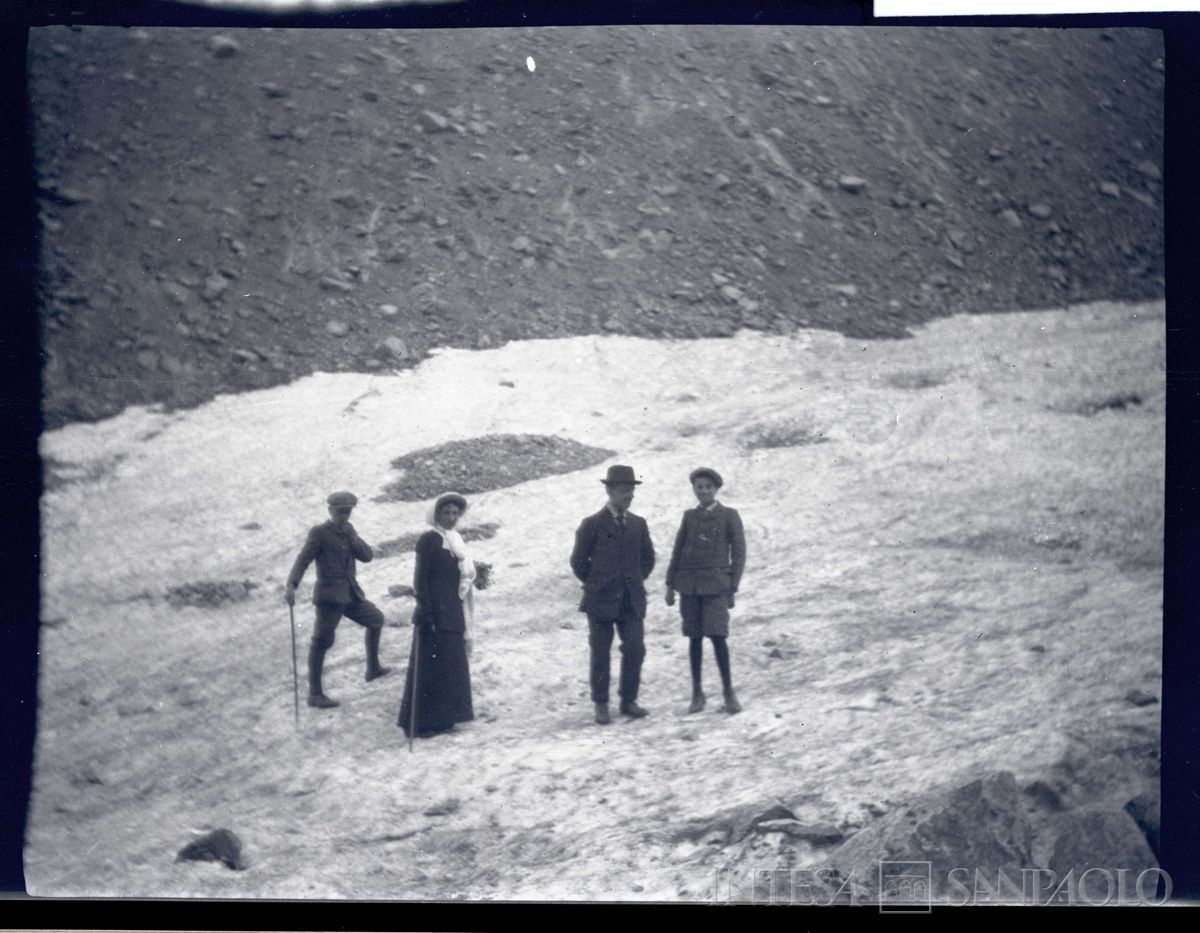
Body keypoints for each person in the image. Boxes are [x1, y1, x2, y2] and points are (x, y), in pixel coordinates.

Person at [286, 491, 390, 709]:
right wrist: (292, 585)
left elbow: (367, 557)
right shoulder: (319, 533)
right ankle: (315, 694)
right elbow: (303, 559)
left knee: (376, 620)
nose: (345, 516)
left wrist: (353, 537)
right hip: (329, 598)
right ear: (330, 510)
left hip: (351, 595)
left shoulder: (349, 531)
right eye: (340, 511)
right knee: (322, 641)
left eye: (348, 511)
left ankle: (373, 669)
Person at [570, 464, 656, 725]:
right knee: (600, 652)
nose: (628, 496)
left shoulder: (638, 524)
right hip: (600, 600)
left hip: (631, 600)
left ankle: (628, 700)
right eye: (623, 491)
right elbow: (578, 562)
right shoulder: (592, 524)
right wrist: (597, 582)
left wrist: (634, 581)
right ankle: (601, 704)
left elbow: (648, 559)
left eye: (631, 491)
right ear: (609, 491)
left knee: (635, 648)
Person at [665, 468, 746, 714]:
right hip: (689, 588)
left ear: (716, 489)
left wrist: (732, 586)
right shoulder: (689, 517)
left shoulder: (729, 516)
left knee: (719, 638)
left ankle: (728, 692)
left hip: (716, 588)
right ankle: (697, 693)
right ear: (694, 489)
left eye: (708, 487)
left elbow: (739, 553)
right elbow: (678, 552)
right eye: (699, 487)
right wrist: (670, 585)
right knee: (694, 640)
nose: (703, 491)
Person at [398, 492, 477, 738]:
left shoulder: (455, 540)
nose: (452, 517)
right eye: (446, 513)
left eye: (455, 513)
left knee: (449, 665)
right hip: (434, 613)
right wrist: (428, 612)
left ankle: (445, 718)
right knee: (430, 668)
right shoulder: (430, 540)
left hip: (453, 610)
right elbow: (420, 580)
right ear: (436, 514)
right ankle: (422, 723)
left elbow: (458, 570)